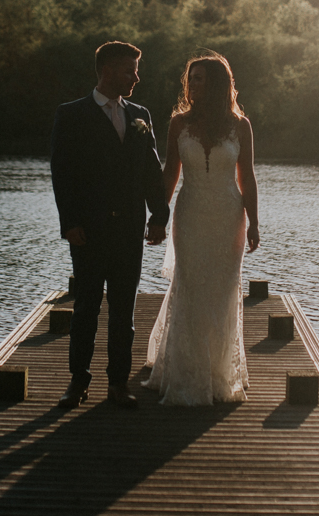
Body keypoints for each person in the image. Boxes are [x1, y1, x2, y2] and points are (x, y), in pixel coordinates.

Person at [49, 40, 169, 409]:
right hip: (87, 230)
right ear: (108, 70)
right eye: (130, 69)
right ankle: (78, 381)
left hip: (130, 228)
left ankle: (117, 383)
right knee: (86, 308)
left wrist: (159, 216)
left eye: (136, 69)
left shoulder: (140, 114)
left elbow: (151, 170)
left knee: (123, 310)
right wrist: (69, 222)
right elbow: (62, 173)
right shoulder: (71, 114)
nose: (136, 76)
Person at [143, 53, 260, 406]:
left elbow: (248, 177)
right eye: (190, 79)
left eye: (200, 78)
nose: (192, 84)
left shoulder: (241, 126)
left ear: (218, 83)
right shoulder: (179, 124)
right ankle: (186, 376)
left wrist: (255, 221)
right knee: (191, 287)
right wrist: (158, 216)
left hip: (228, 217)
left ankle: (218, 376)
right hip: (191, 213)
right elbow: (170, 173)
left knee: (222, 292)